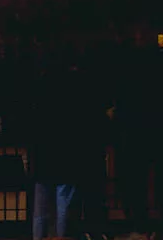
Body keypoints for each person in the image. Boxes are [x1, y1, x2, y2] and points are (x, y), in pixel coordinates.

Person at [29, 65, 102, 240]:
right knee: (64, 205)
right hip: (65, 158)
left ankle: (39, 237)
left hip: (43, 157)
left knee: (40, 209)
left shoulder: (39, 99)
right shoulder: (73, 99)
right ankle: (62, 236)